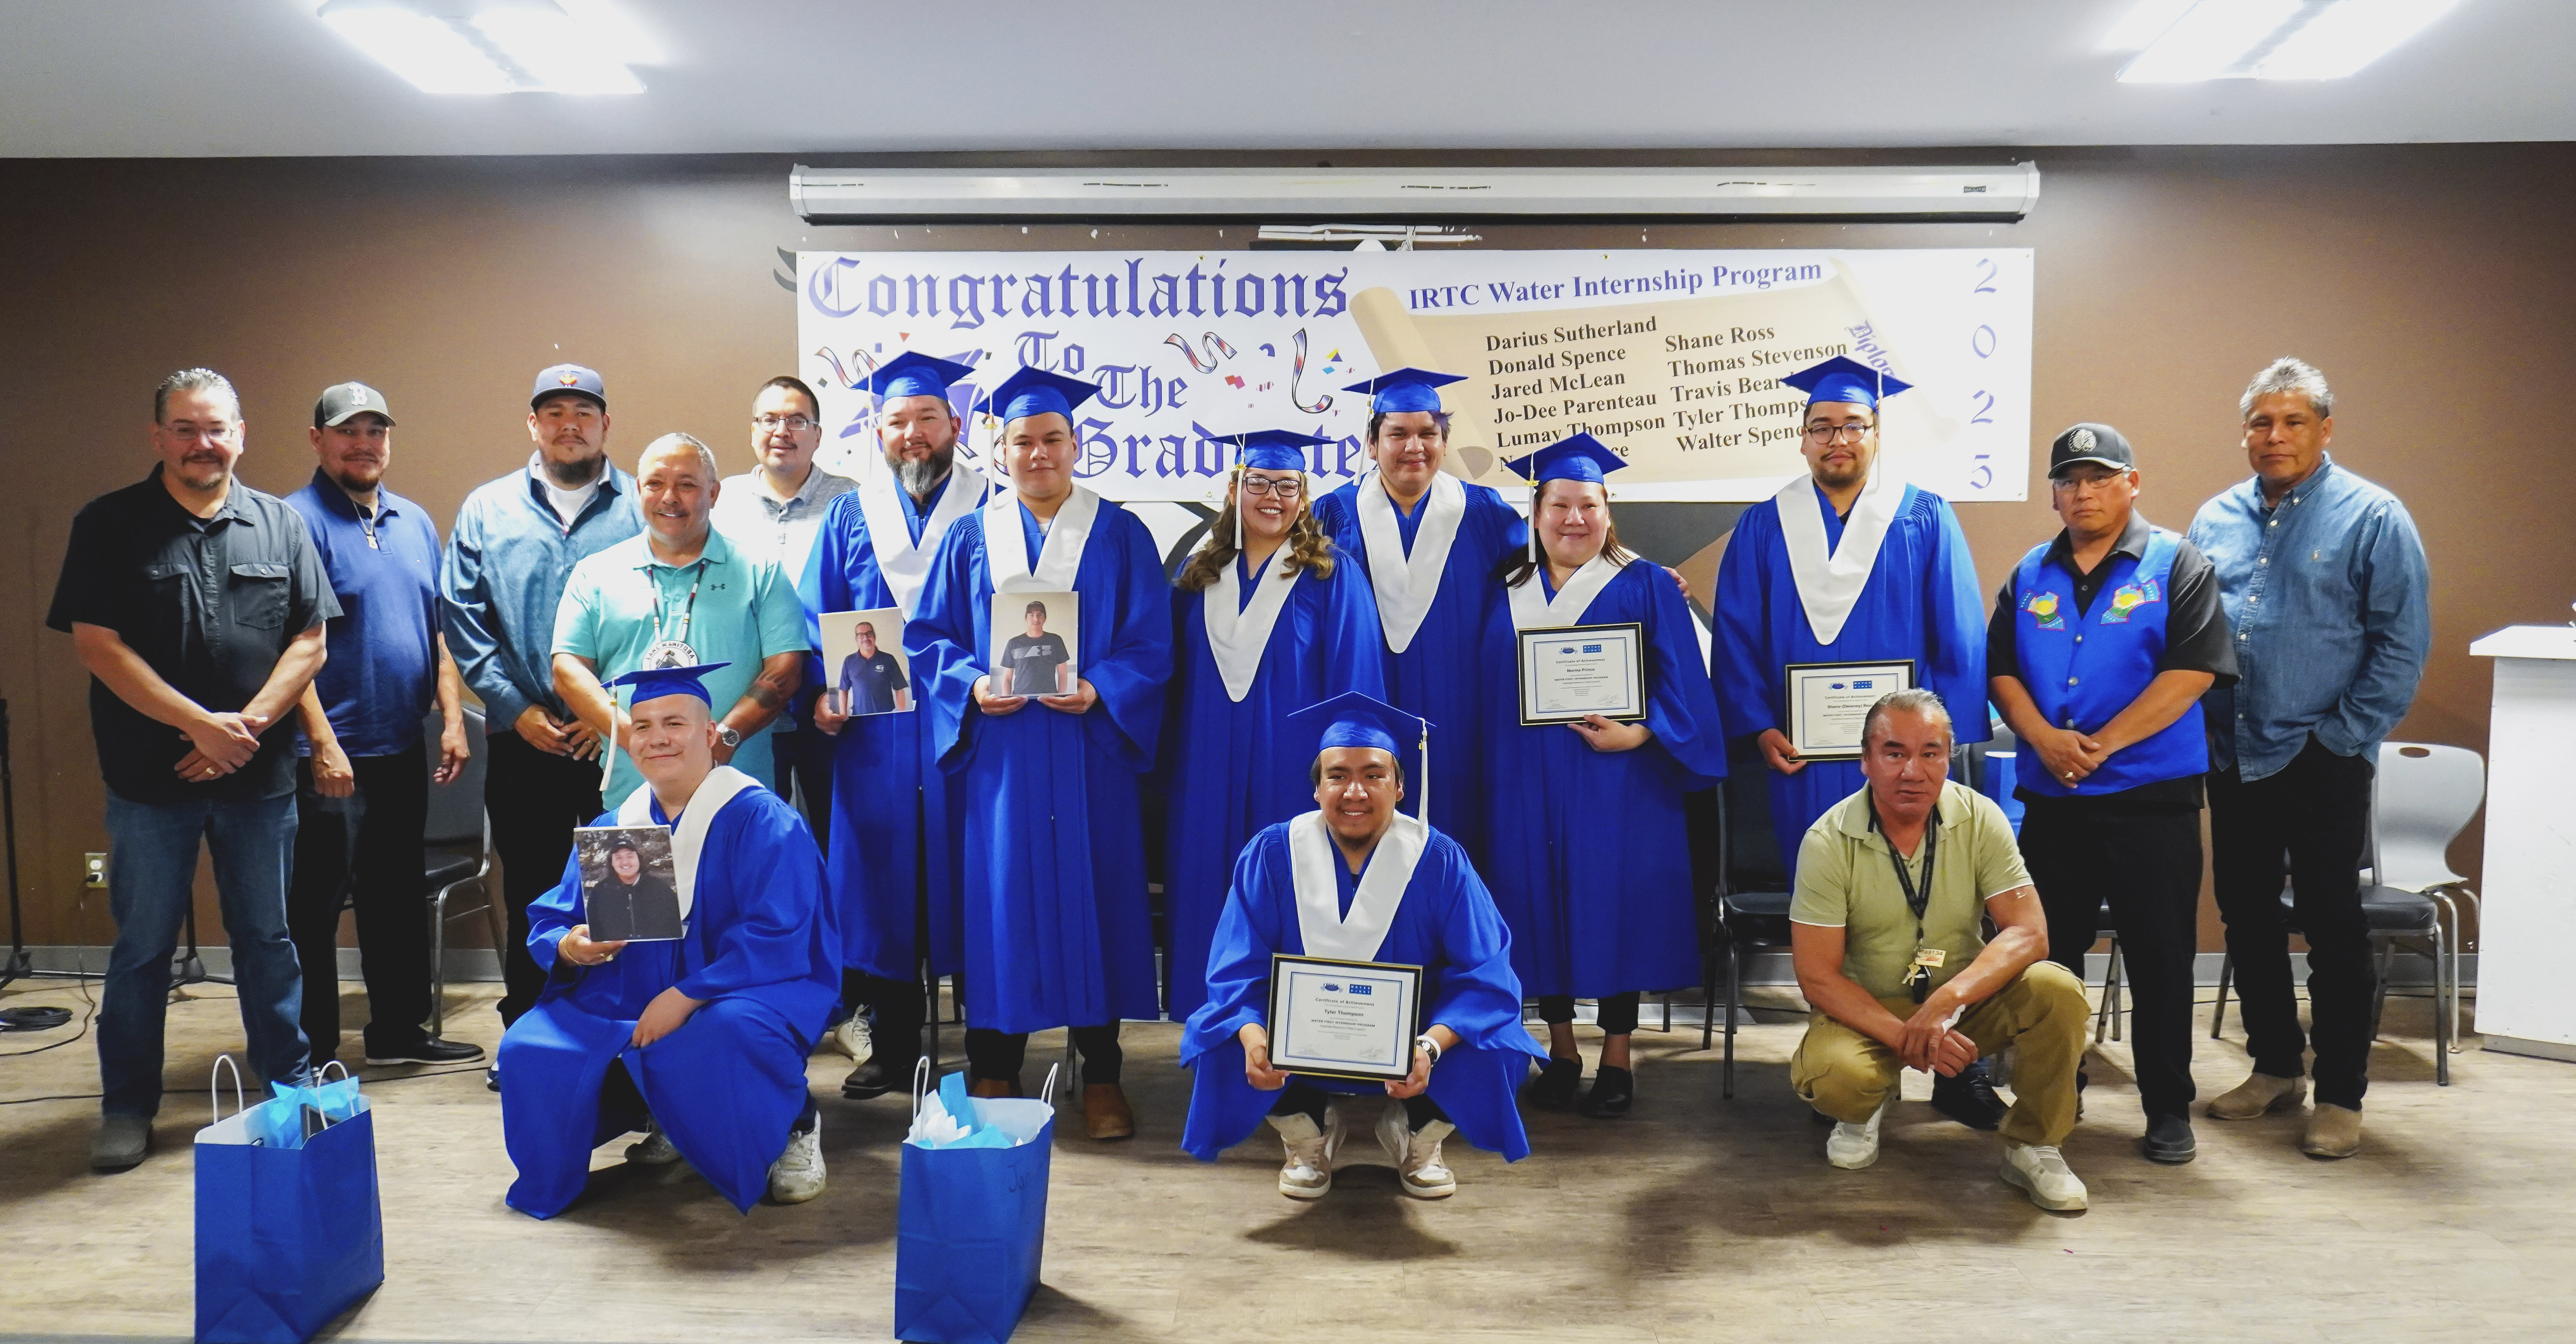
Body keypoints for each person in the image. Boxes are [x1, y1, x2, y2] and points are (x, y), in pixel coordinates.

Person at [49, 368, 340, 1171]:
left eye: (216, 429)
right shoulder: (108, 524)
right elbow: (98, 645)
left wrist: (243, 730)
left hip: (258, 778)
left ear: (241, 435)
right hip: (151, 783)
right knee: (141, 947)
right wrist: (197, 727)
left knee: (268, 940)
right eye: (185, 428)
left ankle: (289, 1089)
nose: (202, 444)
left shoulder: (280, 525)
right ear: (158, 437)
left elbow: (309, 641)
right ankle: (126, 1106)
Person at [1711, 354, 2002, 1129]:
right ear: (1802, 438)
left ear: (1877, 432)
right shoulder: (1764, 524)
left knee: (1936, 912)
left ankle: (1947, 1058)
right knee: (1836, 917)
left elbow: (1959, 642)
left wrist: (1934, 754)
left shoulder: (1924, 517)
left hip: (1905, 768)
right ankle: (1849, 1074)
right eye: (1822, 427)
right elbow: (1736, 639)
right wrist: (1760, 725)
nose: (1837, 439)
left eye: (1852, 425)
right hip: (1804, 763)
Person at [910, 365, 1173, 1137]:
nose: (1038, 454)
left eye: (1052, 439)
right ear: (999, 449)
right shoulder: (969, 536)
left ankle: (1102, 1073)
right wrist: (969, 684)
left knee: (1096, 897)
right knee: (1002, 903)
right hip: (1002, 754)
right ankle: (995, 1066)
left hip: (1088, 748)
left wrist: (1101, 688)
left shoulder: (1120, 533)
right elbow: (929, 639)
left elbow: (1152, 643)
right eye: (1022, 440)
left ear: (1076, 443)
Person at [2187, 357, 2430, 1160]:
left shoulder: (2374, 516)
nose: (2275, 436)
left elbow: (2401, 645)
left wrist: (2341, 736)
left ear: (2326, 428)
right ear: (2245, 432)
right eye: (2261, 422)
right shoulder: (2214, 519)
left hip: (2323, 753)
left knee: (2331, 924)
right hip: (2235, 754)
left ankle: (2342, 1094)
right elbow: (2188, 635)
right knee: (2248, 916)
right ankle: (2275, 1067)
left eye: (2293, 421)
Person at [496, 662, 838, 1217]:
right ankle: (666, 1115)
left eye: (674, 722)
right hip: (627, 989)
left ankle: (795, 1125)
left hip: (741, 990)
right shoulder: (619, 824)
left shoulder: (760, 820)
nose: (656, 737)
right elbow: (555, 917)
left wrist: (686, 995)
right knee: (531, 1045)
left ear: (710, 734)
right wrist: (570, 945)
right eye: (642, 724)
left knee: (728, 1032)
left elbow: (779, 932)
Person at [1987, 423, 2236, 1165]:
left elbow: (2192, 670)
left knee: (2161, 958)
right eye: (2070, 480)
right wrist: (2046, 740)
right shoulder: (2030, 572)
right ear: (2055, 494)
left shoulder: (2177, 565)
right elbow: (2001, 671)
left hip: (2149, 802)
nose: (2084, 491)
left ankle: (2168, 1109)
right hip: (2054, 802)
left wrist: (2102, 745)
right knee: (2046, 960)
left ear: (2132, 483)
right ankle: (2054, 1096)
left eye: (2100, 477)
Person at [1182, 693, 1542, 1198]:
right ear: (1317, 789)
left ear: (1399, 786)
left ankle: (1416, 1128)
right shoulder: (1271, 854)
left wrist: (1430, 1047)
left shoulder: (1438, 861)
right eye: (1338, 775)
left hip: (1413, 1049)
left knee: (1501, 1042)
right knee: (1217, 1038)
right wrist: (1253, 1036)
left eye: (1373, 775)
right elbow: (1236, 967)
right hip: (1297, 1047)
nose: (1355, 791)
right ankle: (1308, 1129)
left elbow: (1486, 974)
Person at [1479, 435, 1727, 1118]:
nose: (1575, 519)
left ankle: (1617, 1056)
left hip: (1620, 778)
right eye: (1560, 504)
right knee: (1538, 905)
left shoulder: (1647, 582)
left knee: (1618, 907)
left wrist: (1642, 731)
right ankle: (1561, 1048)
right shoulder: (1503, 589)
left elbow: (1687, 684)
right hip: (1525, 779)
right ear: (1537, 511)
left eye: (1589, 505)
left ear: (1607, 510)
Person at [1787, 689, 2092, 1211]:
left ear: (1948, 758)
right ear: (1866, 760)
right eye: (1895, 752)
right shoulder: (1827, 840)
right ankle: (1864, 1108)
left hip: (1962, 1004)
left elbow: (2029, 933)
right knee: (1839, 1079)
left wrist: (1945, 1003)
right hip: (1868, 1010)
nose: (1913, 770)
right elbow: (1817, 977)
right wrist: (1908, 1033)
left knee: (2058, 989)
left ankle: (2035, 1144)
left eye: (1930, 753)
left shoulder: (1982, 818)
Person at [441, 364, 643, 1058]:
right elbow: (464, 621)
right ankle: (532, 1036)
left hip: (617, 741)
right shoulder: (487, 510)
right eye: (552, 412)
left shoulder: (643, 507)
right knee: (533, 890)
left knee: (630, 887)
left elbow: (665, 616)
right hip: (523, 739)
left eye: (583, 412)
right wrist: (514, 707)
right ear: (533, 424)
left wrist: (605, 711)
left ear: (605, 424)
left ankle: (630, 1037)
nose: (568, 424)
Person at [284, 381, 481, 1071]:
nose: (364, 444)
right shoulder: (295, 521)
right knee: (311, 908)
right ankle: (308, 1051)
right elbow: (288, 646)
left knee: (394, 898)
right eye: (348, 431)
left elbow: (440, 630)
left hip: (401, 745)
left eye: (376, 431)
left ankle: (397, 1030)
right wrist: (323, 744)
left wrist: (451, 720)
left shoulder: (414, 521)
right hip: (329, 755)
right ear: (318, 440)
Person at [1161, 429, 1385, 1022]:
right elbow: (1169, 682)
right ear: (1233, 490)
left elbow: (1357, 691)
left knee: (1292, 900)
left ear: (1304, 498)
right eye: (1257, 482)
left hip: (1293, 777)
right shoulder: (1196, 577)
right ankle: (1216, 1033)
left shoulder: (1332, 577)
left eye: (1287, 485)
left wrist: (1348, 781)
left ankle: (1299, 1055)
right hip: (1204, 776)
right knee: (1207, 898)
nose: (1272, 496)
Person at [805, 351, 981, 1097]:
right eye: (898, 422)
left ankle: (991, 1045)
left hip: (969, 728)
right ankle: (895, 1042)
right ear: (878, 431)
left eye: (927, 420)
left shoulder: (992, 506)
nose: (913, 435)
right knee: (883, 882)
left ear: (956, 425)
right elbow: (817, 615)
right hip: (876, 734)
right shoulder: (851, 514)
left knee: (972, 877)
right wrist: (821, 691)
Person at [1310, 368, 1524, 858]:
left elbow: (1551, 564)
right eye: (1398, 434)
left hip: (1462, 716)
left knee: (1460, 831)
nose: (1414, 447)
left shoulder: (1482, 512)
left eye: (1428, 433)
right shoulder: (1334, 514)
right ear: (1371, 443)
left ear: (1444, 443)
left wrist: (1637, 569)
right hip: (1366, 706)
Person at [552, 432, 808, 807]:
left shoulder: (760, 570)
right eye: (655, 484)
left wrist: (723, 740)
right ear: (639, 490)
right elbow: (567, 670)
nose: (669, 497)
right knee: (636, 870)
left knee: (739, 867)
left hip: (739, 792)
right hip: (630, 793)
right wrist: (634, 739)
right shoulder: (595, 573)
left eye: (687, 485)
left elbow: (785, 670)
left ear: (714, 494)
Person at [709, 375, 854, 836]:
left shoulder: (853, 502)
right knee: (752, 838)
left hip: (830, 702)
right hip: (746, 703)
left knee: (839, 836)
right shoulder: (719, 502)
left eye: (797, 420)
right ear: (752, 429)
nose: (782, 431)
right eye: (770, 419)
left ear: (818, 434)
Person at [587, 836, 680, 943]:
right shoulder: (599, 893)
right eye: (618, 858)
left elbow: (675, 928)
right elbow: (595, 933)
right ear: (612, 863)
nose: (625, 862)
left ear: (639, 860)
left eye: (630, 856)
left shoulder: (660, 889)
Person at [996, 600, 1072, 698]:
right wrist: (1006, 700)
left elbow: (1063, 674)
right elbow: (1007, 678)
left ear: (1045, 618)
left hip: (1049, 698)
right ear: (1026, 618)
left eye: (1040, 615)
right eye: (1032, 615)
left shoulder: (1056, 640)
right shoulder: (1014, 643)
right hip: (1020, 699)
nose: (1036, 619)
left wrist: (1060, 697)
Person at [835, 620, 909, 715]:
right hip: (860, 719)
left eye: (869, 633)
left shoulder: (889, 659)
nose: (866, 638)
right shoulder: (849, 661)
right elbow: (843, 690)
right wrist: (843, 716)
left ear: (874, 636)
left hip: (886, 717)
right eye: (861, 635)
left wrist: (901, 715)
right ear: (857, 639)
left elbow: (899, 689)